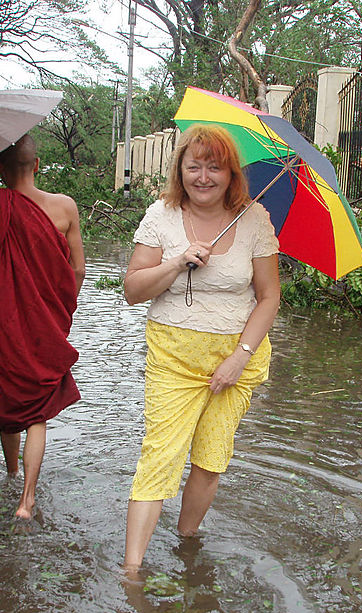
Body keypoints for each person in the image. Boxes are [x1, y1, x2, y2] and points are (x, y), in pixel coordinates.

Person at [122, 124, 281, 571]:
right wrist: (175, 262)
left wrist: (239, 357)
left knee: (211, 459)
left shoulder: (254, 219)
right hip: (173, 357)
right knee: (160, 454)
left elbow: (269, 297)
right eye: (195, 166)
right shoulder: (161, 216)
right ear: (180, 169)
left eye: (215, 167)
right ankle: (132, 570)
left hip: (236, 360)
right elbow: (132, 290)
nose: (204, 176)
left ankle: (186, 542)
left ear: (232, 174)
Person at [0, 133, 85, 520]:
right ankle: (27, 499)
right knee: (37, 412)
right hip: (44, 323)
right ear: (36, 165)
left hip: (0, 327)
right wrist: (56, 308)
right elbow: (78, 271)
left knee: (8, 402)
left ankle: (11, 473)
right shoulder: (65, 208)